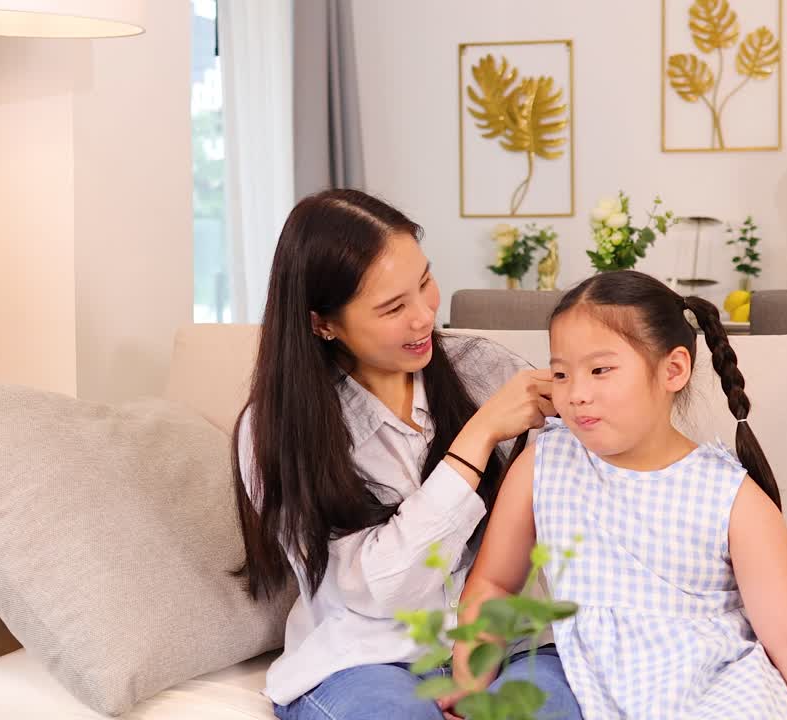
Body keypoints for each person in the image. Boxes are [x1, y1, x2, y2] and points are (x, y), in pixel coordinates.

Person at [232, 189, 581, 720]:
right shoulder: (276, 431)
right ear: (322, 323)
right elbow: (380, 591)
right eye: (394, 307)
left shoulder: (483, 368)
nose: (424, 318)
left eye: (424, 283)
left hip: (510, 646)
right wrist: (478, 436)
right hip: (366, 661)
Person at [454, 270, 787, 718]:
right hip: (589, 681)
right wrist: (469, 681)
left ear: (673, 370)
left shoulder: (729, 494)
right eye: (561, 374)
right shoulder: (543, 465)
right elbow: (494, 583)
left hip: (714, 685)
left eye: (600, 370)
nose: (576, 394)